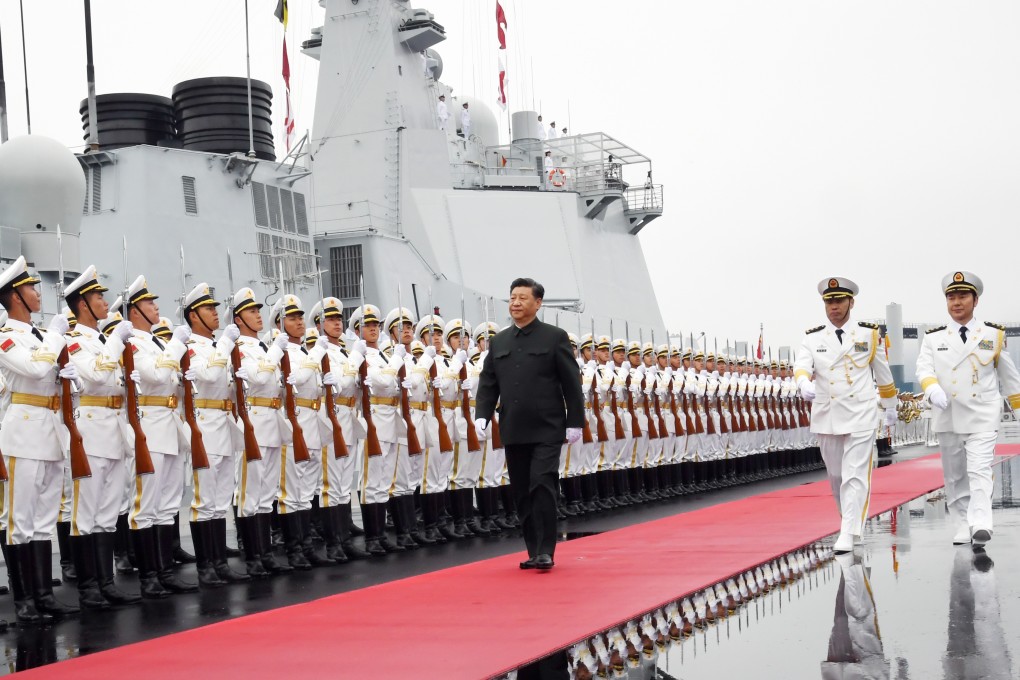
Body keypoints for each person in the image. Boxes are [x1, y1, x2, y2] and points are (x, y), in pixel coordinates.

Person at [474, 278, 584, 570]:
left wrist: (575, 421)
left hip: (547, 427)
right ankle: (534, 550)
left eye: (523, 298)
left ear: (538, 303)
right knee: (522, 489)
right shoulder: (499, 341)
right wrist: (482, 414)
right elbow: (489, 382)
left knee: (542, 483)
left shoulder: (554, 337)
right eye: (512, 297)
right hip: (514, 427)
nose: (516, 303)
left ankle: (547, 550)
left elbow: (572, 382)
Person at [0, 256, 80, 623]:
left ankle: (44, 594)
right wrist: (56, 336)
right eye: (31, 287)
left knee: (44, 517)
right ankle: (24, 601)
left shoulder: (38, 337)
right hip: (23, 432)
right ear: (16, 295)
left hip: (49, 430)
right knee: (19, 519)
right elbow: (32, 368)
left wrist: (71, 377)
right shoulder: (5, 338)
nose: (37, 292)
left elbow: (50, 375)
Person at [915, 271, 1020, 547]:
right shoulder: (933, 338)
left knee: (980, 469)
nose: (956, 302)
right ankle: (962, 521)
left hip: (983, 413)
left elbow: (1010, 378)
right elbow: (923, 369)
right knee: (955, 475)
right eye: (951, 297)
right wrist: (931, 387)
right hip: (948, 412)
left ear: (976, 300)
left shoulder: (993, 335)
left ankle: (982, 522)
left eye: (963, 296)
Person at [794, 277, 898, 553]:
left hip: (860, 412)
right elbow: (801, 366)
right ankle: (850, 523)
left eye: (839, 301)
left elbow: (882, 373)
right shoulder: (813, 337)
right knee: (837, 477)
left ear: (851, 302)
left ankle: (848, 530)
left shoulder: (868, 335)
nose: (834, 307)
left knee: (855, 475)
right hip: (827, 413)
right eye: (829, 302)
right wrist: (803, 382)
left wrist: (890, 406)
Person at [62, 266, 142, 607]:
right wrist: (115, 341)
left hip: (112, 427)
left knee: (109, 510)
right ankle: (89, 586)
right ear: (83, 304)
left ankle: (106, 582)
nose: (105, 301)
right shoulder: (74, 341)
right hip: (91, 430)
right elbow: (94, 377)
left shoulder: (99, 340)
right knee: (87, 511)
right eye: (98, 297)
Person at [124, 276, 198, 597]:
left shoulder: (155, 341)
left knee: (168, 503)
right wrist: (178, 344)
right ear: (135, 310)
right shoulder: (131, 342)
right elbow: (154, 375)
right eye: (150, 302)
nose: (156, 306)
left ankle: (165, 571)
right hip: (149, 428)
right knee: (146, 505)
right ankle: (148, 576)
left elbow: (169, 378)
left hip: (169, 425)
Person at [181, 283, 250, 585]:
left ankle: (219, 562)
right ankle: (205, 566)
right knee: (204, 500)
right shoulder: (190, 347)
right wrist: (225, 345)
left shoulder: (213, 347)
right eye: (209, 309)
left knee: (220, 499)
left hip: (223, 424)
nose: (216, 312)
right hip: (205, 427)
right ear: (193, 315)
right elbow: (207, 375)